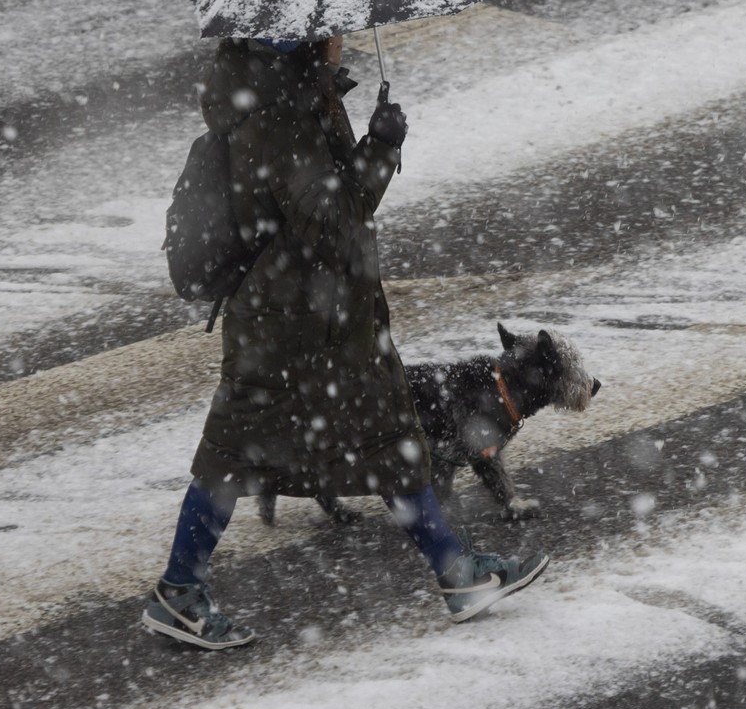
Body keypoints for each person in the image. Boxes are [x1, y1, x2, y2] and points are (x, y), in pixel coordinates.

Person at [143, 34, 547, 649]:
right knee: (234, 453)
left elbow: (330, 212)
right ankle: (178, 592)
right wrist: (380, 147)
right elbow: (330, 223)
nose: (343, 37)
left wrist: (362, 140)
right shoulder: (277, 114)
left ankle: (457, 572)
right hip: (289, 328)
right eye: (331, 28)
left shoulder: (296, 98)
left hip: (324, 318)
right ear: (300, 39)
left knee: (389, 438)